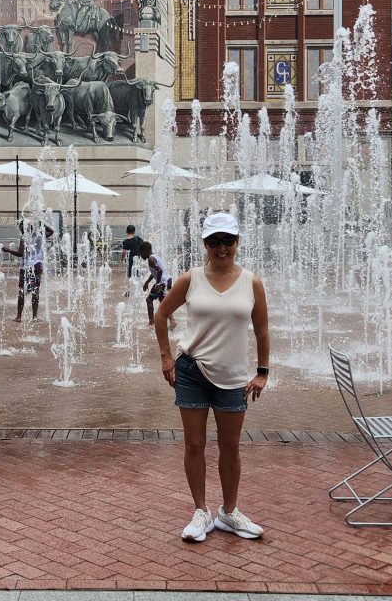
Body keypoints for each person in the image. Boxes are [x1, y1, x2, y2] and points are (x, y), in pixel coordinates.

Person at [153, 212, 270, 543]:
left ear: (237, 242)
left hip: (233, 377)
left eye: (227, 241)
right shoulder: (190, 279)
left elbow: (262, 329)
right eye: (214, 241)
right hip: (192, 371)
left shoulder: (252, 282)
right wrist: (165, 357)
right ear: (204, 244)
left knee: (231, 447)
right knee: (194, 444)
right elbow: (161, 316)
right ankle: (201, 511)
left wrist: (262, 372)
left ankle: (229, 512)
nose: (221, 248)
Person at [0, 219, 54, 321]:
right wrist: (42, 223)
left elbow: (20, 254)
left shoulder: (24, 238)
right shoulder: (40, 235)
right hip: (37, 265)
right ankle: (34, 317)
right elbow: (51, 231)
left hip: (26, 267)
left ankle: (19, 317)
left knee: (22, 291)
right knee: (35, 290)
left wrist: (8, 250)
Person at [139, 241, 175, 330]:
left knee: (149, 300)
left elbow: (159, 271)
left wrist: (157, 283)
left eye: (141, 253)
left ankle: (151, 323)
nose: (140, 255)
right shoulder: (154, 256)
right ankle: (173, 321)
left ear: (145, 251)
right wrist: (147, 282)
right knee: (163, 302)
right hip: (167, 281)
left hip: (162, 283)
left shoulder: (150, 259)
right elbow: (154, 272)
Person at [120, 224, 143, 295]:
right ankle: (142, 289)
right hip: (138, 258)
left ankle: (128, 291)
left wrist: (121, 260)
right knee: (139, 274)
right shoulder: (138, 238)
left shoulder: (125, 241)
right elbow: (143, 245)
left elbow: (124, 252)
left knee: (130, 275)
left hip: (131, 259)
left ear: (126, 231)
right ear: (134, 232)